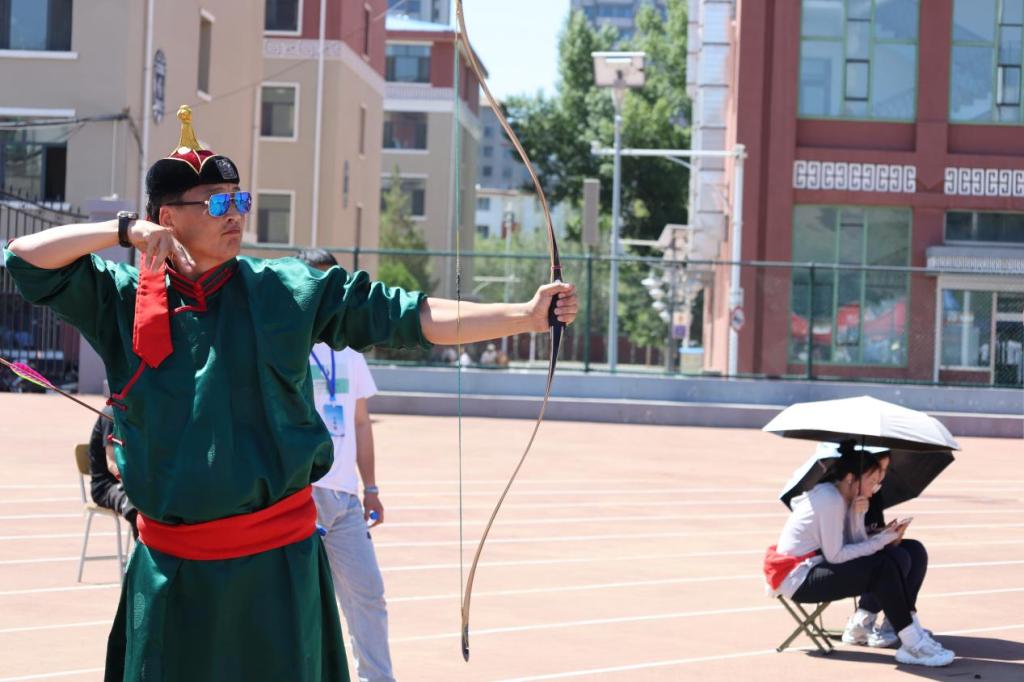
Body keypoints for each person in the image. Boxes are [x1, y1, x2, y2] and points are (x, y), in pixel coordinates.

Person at [3, 105, 578, 682]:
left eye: (240, 199)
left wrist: (525, 316)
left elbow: (409, 315)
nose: (235, 214)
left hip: (275, 570)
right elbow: (23, 259)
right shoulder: (122, 299)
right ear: (167, 218)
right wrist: (123, 230)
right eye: (216, 203)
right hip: (172, 573)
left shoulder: (284, 289)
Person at [764, 447, 954, 667]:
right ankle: (911, 643)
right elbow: (837, 556)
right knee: (882, 566)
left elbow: (853, 544)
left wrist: (858, 516)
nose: (874, 490)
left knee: (897, 556)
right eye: (872, 481)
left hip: (814, 567)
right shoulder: (830, 500)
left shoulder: (843, 496)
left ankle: (910, 635)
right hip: (799, 580)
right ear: (850, 478)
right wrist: (881, 540)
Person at [298, 248, 394, 682]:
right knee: (305, 606)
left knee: (368, 594)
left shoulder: (351, 352)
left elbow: (360, 423)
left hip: (346, 499)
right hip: (303, 495)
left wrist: (370, 488)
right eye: (315, 283)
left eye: (331, 283)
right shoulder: (288, 344)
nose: (324, 293)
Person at [842, 458, 931, 649]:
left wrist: (889, 533)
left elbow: (873, 528)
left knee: (915, 550)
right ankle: (861, 622)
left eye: (884, 469)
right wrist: (855, 515)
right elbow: (846, 542)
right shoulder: (840, 496)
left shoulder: (874, 493)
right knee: (896, 557)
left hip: (867, 547)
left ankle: (895, 622)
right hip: (844, 556)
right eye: (877, 470)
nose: (882, 475)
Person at [87, 405, 138, 538]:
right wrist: (135, 485)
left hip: (134, 481)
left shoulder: (140, 413)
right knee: (138, 507)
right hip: (106, 485)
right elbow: (112, 463)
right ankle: (143, 551)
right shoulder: (112, 413)